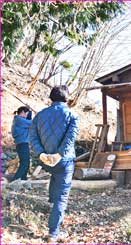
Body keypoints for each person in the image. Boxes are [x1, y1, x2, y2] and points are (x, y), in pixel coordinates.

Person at [30, 85, 79, 242]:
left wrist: (42, 154)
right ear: (67, 98)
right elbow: (70, 139)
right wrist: (59, 154)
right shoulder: (73, 115)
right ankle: (53, 233)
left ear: (51, 98)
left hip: (45, 160)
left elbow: (33, 137)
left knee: (54, 174)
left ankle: (51, 203)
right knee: (62, 197)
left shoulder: (39, 115)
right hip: (63, 161)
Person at [11, 106, 32, 180]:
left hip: (23, 143)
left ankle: (23, 179)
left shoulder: (20, 120)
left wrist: (30, 113)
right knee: (25, 162)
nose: (26, 116)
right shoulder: (19, 120)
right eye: (26, 114)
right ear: (22, 112)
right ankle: (16, 180)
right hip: (22, 143)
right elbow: (31, 123)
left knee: (26, 162)